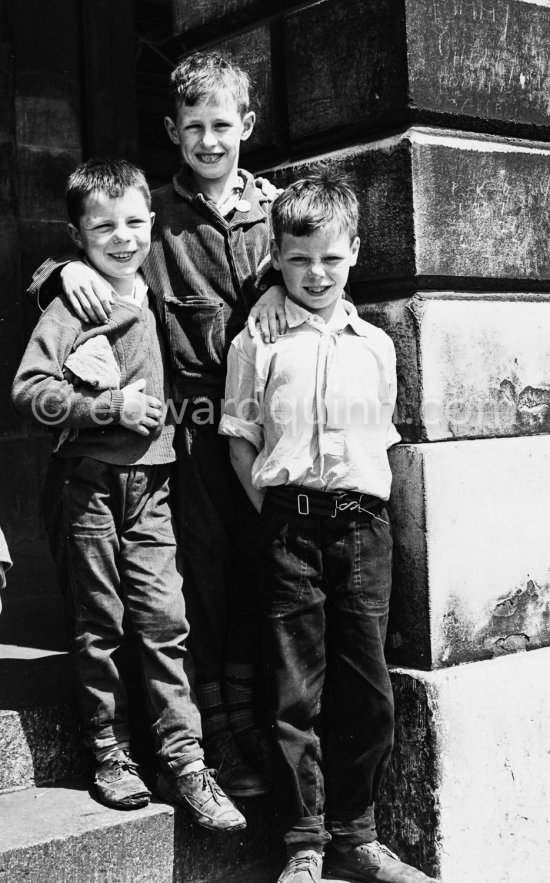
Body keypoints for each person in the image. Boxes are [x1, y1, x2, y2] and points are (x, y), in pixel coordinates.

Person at [27, 51, 287, 797]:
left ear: (247, 125)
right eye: (193, 127)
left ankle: (254, 721)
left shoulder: (274, 208)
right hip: (188, 424)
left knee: (256, 570)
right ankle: (215, 736)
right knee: (194, 581)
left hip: (268, 421)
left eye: (222, 125)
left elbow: (318, 258)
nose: (209, 141)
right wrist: (60, 272)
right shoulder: (153, 213)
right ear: (173, 131)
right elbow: (95, 246)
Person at [12, 158, 247, 833]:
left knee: (165, 619)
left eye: (135, 222)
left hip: (156, 483)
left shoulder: (152, 285)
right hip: (86, 484)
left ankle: (186, 759)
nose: (122, 237)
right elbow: (30, 392)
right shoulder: (71, 302)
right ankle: (111, 754)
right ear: (77, 235)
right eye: (103, 226)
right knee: (101, 622)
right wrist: (106, 405)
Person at [220, 172, 438, 882]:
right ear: (278, 258)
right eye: (299, 258)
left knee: (367, 689)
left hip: (364, 531)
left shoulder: (375, 345)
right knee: (294, 691)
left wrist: (355, 519)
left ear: (354, 255)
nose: (316, 273)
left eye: (331, 259)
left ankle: (359, 833)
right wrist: (279, 519)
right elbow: (240, 440)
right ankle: (304, 842)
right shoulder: (258, 339)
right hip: (289, 529)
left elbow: (384, 440)